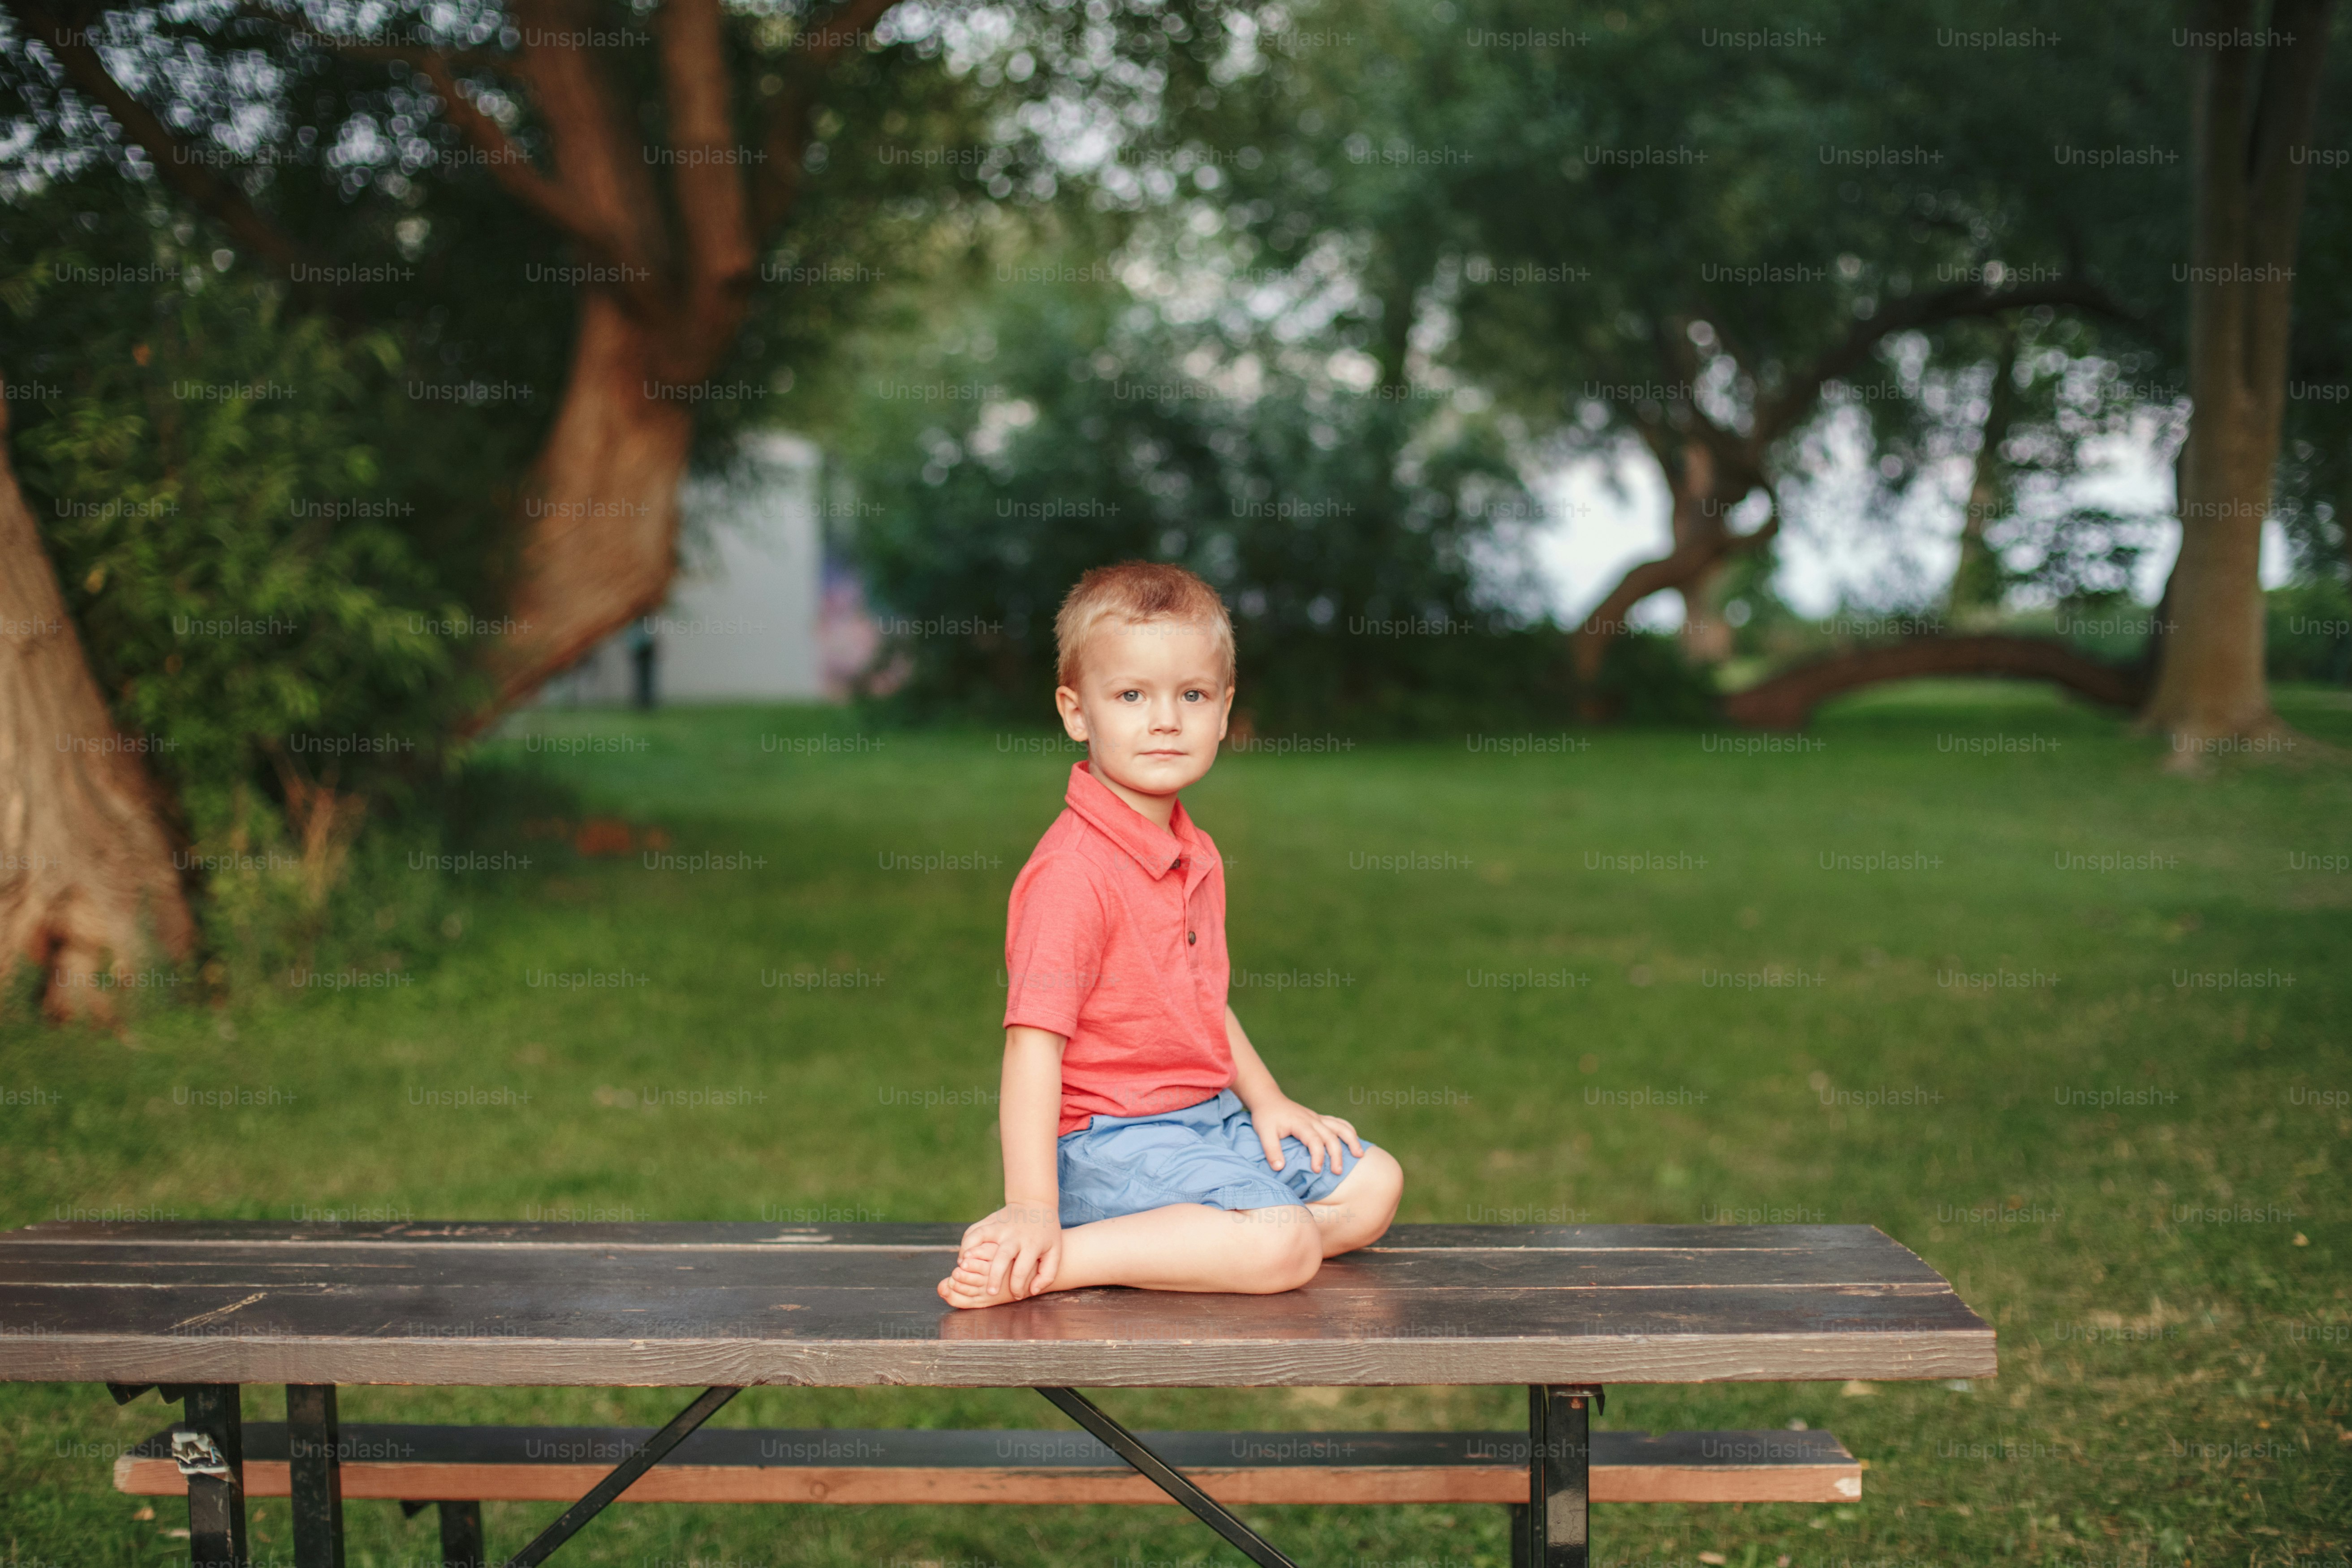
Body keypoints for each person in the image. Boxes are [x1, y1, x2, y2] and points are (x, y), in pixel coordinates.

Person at [939, 561, 1404, 1309]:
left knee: (1374, 1185)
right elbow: (1033, 1045)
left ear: (1223, 712)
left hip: (1205, 1122)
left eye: (1191, 696)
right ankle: (1052, 1260)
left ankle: (1221, 1241)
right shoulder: (1073, 874)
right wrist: (1031, 1207)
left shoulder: (1194, 851)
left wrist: (1269, 1101)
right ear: (1075, 712)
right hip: (1107, 1144)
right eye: (1130, 696)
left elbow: (1200, 997)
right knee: (1284, 1240)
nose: (1165, 720)